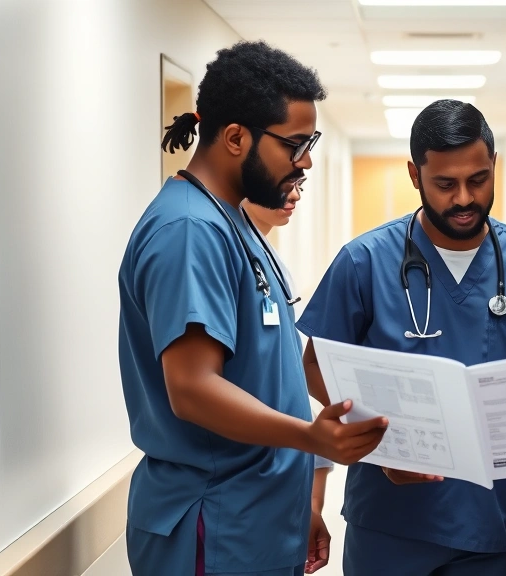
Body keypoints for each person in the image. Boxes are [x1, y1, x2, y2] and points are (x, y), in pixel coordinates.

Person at [118, 41, 387, 576]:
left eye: (311, 142)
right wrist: (309, 437)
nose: (306, 160)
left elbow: (271, 375)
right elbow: (192, 388)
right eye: (295, 144)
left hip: (258, 520)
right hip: (214, 526)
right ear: (236, 137)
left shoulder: (236, 223)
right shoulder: (189, 231)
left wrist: (303, 500)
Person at [296, 99, 506, 576]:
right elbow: (315, 367)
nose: (463, 198)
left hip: (493, 517)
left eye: (478, 180)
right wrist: (380, 440)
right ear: (415, 176)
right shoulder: (363, 261)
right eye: (444, 184)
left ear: (494, 166)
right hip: (390, 516)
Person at [240, 181, 337, 574]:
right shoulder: (205, 242)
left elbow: (296, 394)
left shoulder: (273, 264)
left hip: (283, 502)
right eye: (286, 183)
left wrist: (312, 504)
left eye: (301, 185)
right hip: (240, 505)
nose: (296, 194)